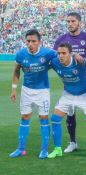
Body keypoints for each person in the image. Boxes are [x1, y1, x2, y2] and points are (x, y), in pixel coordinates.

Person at [53, 12, 86, 153]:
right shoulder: (62, 39)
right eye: (68, 21)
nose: (70, 24)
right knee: (70, 112)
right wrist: (73, 54)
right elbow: (55, 56)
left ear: (80, 22)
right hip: (69, 82)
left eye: (73, 21)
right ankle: (72, 142)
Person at [47, 43, 86, 162]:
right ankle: (57, 149)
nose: (61, 56)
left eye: (64, 53)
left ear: (70, 54)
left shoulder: (80, 62)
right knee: (55, 118)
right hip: (68, 94)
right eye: (59, 53)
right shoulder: (55, 62)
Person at [9, 29, 57, 159]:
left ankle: (44, 149)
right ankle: (21, 148)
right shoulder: (20, 54)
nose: (30, 44)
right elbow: (16, 71)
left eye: (33, 41)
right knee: (24, 117)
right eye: (28, 41)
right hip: (26, 90)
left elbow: (62, 56)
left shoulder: (48, 53)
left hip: (42, 91)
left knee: (43, 118)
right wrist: (14, 89)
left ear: (39, 42)